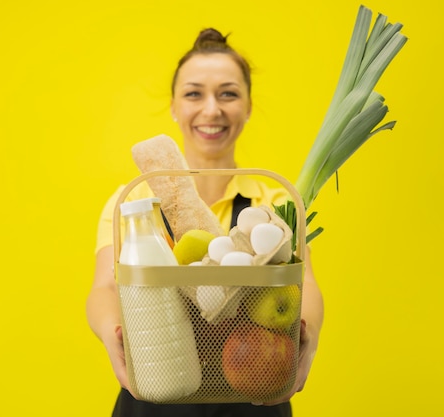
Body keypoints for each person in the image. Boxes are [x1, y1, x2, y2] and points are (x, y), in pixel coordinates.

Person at [86, 28, 324, 417]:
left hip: (254, 389)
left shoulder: (273, 205)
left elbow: (307, 283)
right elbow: (104, 287)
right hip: (155, 390)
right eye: (194, 93)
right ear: (174, 107)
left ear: (248, 106)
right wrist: (114, 334)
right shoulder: (135, 201)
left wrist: (307, 338)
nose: (211, 109)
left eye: (228, 93)